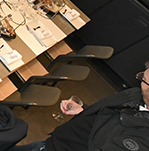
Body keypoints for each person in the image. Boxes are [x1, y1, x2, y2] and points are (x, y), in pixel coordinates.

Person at [11, 60, 149, 150]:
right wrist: (84, 110)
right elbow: (108, 116)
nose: (140, 79)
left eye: (143, 80)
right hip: (48, 144)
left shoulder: (142, 139)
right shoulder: (135, 94)